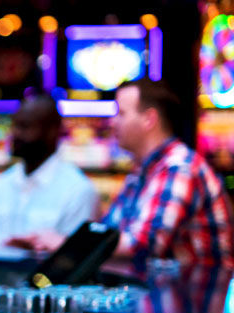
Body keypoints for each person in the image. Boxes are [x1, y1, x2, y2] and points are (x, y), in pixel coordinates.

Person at [16, 79, 234, 272]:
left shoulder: (179, 167)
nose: (112, 122)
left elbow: (145, 243)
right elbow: (107, 233)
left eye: (121, 114)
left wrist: (63, 242)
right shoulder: (141, 173)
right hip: (167, 297)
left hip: (195, 301)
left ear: (149, 119)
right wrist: (51, 242)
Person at [0, 94, 98, 250]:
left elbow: (75, 257)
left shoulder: (78, 190)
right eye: (14, 125)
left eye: (25, 126)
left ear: (52, 132)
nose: (15, 134)